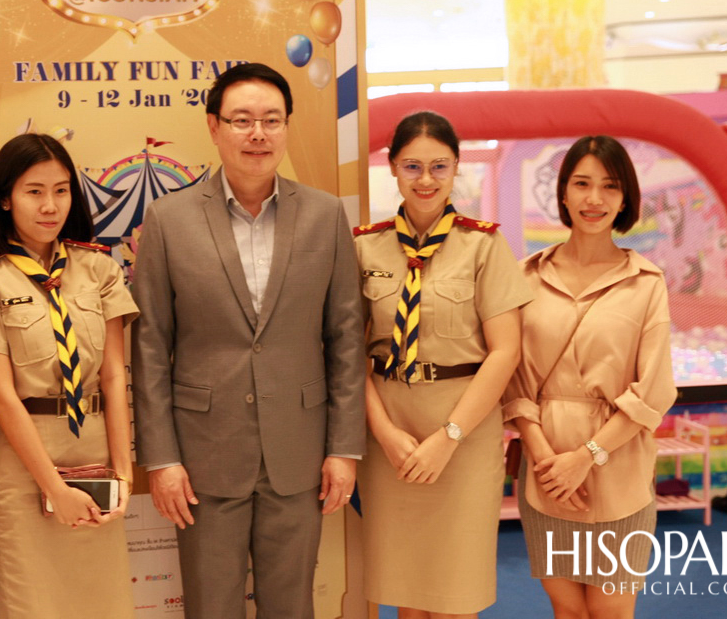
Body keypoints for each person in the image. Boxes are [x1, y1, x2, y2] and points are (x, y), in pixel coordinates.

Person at [131, 62, 365, 619]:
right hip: (202, 456)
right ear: (214, 127)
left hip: (299, 451)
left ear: (286, 127)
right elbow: (150, 347)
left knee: (293, 607)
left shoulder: (326, 215)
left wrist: (343, 448)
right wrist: (160, 458)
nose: (257, 134)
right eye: (241, 120)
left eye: (271, 120)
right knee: (211, 607)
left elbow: (346, 339)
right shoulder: (168, 219)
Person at [354, 112, 531, 618]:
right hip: (389, 432)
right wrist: (385, 432)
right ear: (392, 168)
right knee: (407, 591)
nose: (425, 180)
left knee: (456, 590)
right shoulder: (365, 244)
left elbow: (505, 352)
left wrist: (449, 436)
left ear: (456, 169)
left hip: (464, 433)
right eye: (412, 166)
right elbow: (349, 355)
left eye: (439, 166)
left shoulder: (483, 245)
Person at [0, 133, 138, 617]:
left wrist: (123, 467)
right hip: (28, 463)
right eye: (34, 191)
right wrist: (55, 488)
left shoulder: (99, 267)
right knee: (31, 605)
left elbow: (115, 376)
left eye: (61, 190)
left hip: (97, 452)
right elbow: (2, 396)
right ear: (5, 198)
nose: (50, 205)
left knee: (103, 603)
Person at [503, 136, 676, 619]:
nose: (594, 199)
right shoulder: (526, 277)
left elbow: (655, 391)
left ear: (625, 199)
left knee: (612, 608)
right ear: (563, 193)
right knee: (567, 608)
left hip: (617, 469)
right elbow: (514, 381)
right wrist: (545, 460)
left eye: (609, 186)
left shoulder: (646, 283)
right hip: (545, 471)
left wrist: (586, 457)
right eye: (582, 184)